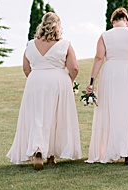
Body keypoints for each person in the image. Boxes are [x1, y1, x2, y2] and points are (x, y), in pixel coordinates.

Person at [7, 12, 81, 169]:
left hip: (35, 81)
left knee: (37, 116)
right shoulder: (65, 44)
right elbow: (74, 68)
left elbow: (26, 68)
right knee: (55, 116)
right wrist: (70, 81)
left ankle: (38, 149)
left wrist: (36, 80)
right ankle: (51, 155)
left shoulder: (30, 45)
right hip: (58, 81)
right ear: (58, 26)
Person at [86, 8, 128, 164]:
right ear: (127, 21)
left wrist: (91, 82)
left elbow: (98, 58)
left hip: (111, 74)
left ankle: (114, 148)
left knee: (112, 110)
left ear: (113, 21)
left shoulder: (105, 36)